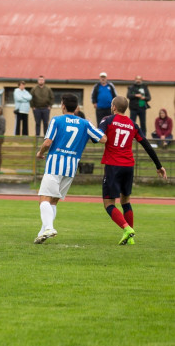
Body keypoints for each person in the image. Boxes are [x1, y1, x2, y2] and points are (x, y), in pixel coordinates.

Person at [34, 94, 106, 244]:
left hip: (55, 165)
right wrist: (91, 125)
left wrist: (40, 153)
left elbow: (47, 142)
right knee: (53, 201)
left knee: (44, 199)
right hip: (71, 167)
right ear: (77, 108)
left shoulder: (57, 120)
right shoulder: (85, 124)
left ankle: (49, 228)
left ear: (63, 105)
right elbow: (103, 139)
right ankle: (42, 232)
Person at [98, 97, 166, 245]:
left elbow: (97, 136)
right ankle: (130, 238)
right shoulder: (133, 125)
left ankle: (127, 228)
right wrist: (158, 165)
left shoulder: (107, 120)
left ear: (114, 107)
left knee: (109, 203)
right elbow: (146, 144)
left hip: (113, 166)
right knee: (125, 201)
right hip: (128, 166)